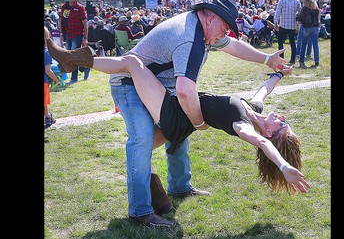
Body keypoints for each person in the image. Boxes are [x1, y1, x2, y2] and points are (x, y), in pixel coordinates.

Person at [47, 0, 287, 228]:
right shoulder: (189, 37)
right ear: (210, 18)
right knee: (142, 140)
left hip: (158, 89)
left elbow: (232, 45)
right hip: (129, 84)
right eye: (225, 27)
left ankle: (179, 187)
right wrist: (198, 122)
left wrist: (267, 59)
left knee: (177, 135)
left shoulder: (202, 29)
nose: (226, 34)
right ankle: (140, 212)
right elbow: (184, 90)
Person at [46, 40, 311, 195]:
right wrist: (277, 73)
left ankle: (75, 61)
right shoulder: (254, 109)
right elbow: (264, 90)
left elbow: (264, 145)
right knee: (144, 147)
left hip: (175, 115)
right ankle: (159, 192)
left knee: (132, 64)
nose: (283, 116)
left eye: (283, 124)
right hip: (183, 120)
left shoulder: (242, 126)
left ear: (269, 133)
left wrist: (284, 166)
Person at [59, 0, 89, 84]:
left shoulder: (80, 8)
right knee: (69, 55)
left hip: (77, 34)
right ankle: (85, 67)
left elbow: (85, 23)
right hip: (68, 34)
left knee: (73, 55)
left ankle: (74, 78)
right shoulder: (64, 7)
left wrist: (85, 38)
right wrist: (61, 34)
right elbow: (61, 21)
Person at [274, 0, 302, 65]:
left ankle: (281, 58)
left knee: (280, 41)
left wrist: (275, 23)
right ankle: (292, 59)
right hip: (292, 25)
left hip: (283, 24)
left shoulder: (281, 1)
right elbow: (300, 13)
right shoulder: (297, 1)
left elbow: (277, 13)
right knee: (292, 42)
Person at [296, 0, 321, 68]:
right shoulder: (316, 8)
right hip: (315, 27)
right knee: (315, 45)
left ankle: (301, 60)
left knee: (304, 44)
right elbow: (318, 18)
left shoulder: (305, 8)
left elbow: (300, 18)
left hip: (306, 27)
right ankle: (317, 60)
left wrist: (295, 17)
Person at [44, 27, 61, 129]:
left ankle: (47, 116)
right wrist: (57, 79)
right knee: (44, 102)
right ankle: (47, 117)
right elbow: (48, 71)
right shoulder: (46, 53)